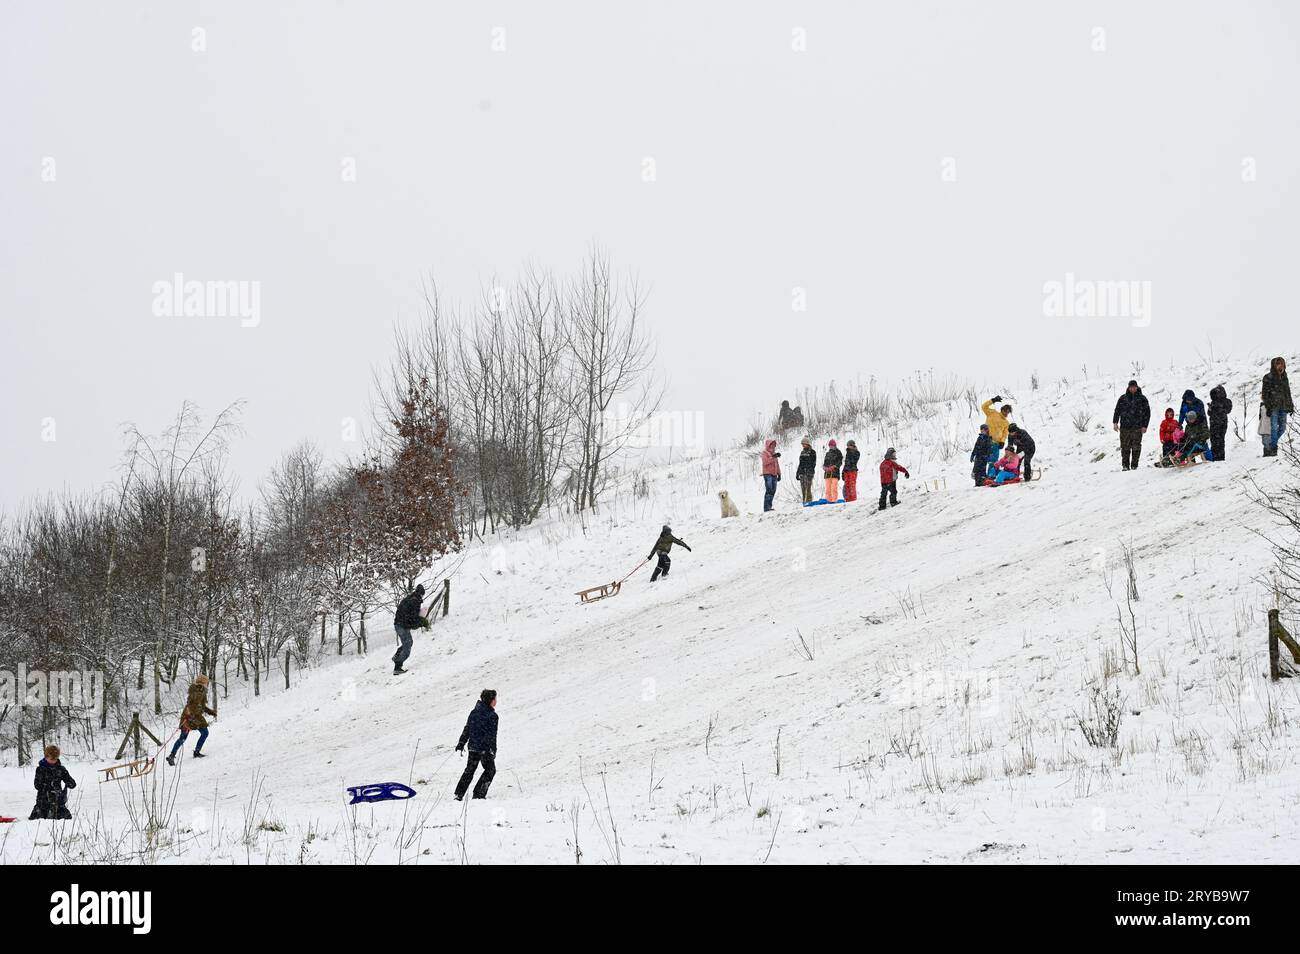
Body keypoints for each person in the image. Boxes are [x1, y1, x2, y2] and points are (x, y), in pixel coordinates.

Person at [454, 689, 499, 801]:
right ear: (490, 700)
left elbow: (467, 729)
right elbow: (492, 735)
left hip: (473, 747)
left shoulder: (474, 712)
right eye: (495, 699)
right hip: (484, 749)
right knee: (490, 770)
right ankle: (478, 794)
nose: (496, 701)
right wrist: (493, 750)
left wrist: (461, 743)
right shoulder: (492, 716)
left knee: (469, 771)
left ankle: (459, 794)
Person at [166, 674, 216, 765]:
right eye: (205, 682)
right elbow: (191, 705)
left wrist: (210, 712)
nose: (206, 684)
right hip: (188, 717)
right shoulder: (196, 691)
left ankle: (196, 752)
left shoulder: (202, 692)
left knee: (204, 733)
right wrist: (190, 717)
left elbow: (201, 706)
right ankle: (171, 756)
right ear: (202, 682)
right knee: (183, 738)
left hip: (197, 717)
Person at [1112, 379, 1151, 471]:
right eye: (1131, 387)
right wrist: (1115, 422)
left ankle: (1134, 466)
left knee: (1136, 447)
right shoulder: (1123, 398)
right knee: (1125, 447)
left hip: (1137, 427)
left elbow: (1147, 413)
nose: (1133, 389)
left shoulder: (1142, 399)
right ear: (1128, 387)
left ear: (1137, 387)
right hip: (1125, 427)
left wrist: (1145, 425)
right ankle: (1125, 466)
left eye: (1134, 387)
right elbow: (1117, 411)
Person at [28, 745, 76, 820]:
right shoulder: (41, 769)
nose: (53, 761)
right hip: (43, 800)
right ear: (46, 757)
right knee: (38, 820)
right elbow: (37, 785)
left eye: (55, 759)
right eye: (51, 759)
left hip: (57, 800)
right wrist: (46, 786)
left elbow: (71, 782)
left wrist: (70, 783)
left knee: (66, 819)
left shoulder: (60, 769)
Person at [392, 584, 429, 675]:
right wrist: (421, 621)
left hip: (399, 624)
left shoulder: (409, 598)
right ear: (421, 594)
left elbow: (408, 616)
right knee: (407, 646)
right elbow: (412, 618)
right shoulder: (415, 602)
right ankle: (397, 666)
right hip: (402, 626)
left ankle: (397, 656)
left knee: (408, 642)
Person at [1262, 357, 1294, 457]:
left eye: (1282, 363)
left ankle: (1269, 446)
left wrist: (1290, 405)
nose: (1280, 366)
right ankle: (1273, 449)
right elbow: (1265, 394)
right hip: (1273, 407)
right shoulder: (1268, 377)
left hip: (1283, 406)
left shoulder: (1285, 377)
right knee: (1274, 429)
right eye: (1278, 364)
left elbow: (1287, 392)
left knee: (1283, 428)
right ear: (1274, 365)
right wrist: (1268, 406)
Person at [981, 396, 1012, 477]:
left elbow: (1005, 434)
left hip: (996, 444)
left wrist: (1002, 441)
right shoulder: (992, 413)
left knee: (994, 460)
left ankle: (991, 475)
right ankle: (980, 475)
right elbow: (984, 407)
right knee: (983, 459)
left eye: (1008, 412)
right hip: (985, 441)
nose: (1006, 414)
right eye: (1006, 411)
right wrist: (993, 400)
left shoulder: (1006, 423)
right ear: (1002, 410)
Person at [1207, 385, 1233, 462]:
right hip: (1213, 422)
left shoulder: (1226, 401)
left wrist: (1219, 408)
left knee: (1220, 440)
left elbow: (1228, 410)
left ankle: (1220, 457)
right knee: (1213, 440)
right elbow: (1209, 413)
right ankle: (1214, 456)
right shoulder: (1213, 402)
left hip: (1221, 422)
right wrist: (1211, 408)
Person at [760, 439, 781, 512]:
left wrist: (779, 473)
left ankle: (770, 506)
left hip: (774, 474)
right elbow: (765, 462)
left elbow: (777, 464)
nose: (773, 446)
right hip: (767, 474)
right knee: (769, 490)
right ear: (768, 445)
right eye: (771, 445)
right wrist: (773, 457)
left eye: (774, 445)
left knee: (773, 490)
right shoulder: (764, 453)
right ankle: (766, 507)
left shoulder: (774, 453)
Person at [796, 437, 817, 504]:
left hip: (809, 472)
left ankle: (809, 502)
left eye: (804, 444)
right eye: (802, 444)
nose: (803, 445)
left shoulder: (812, 452)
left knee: (808, 488)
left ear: (808, 444)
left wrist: (809, 470)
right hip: (802, 472)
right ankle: (804, 502)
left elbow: (813, 463)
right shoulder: (802, 452)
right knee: (803, 489)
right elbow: (800, 463)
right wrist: (798, 472)